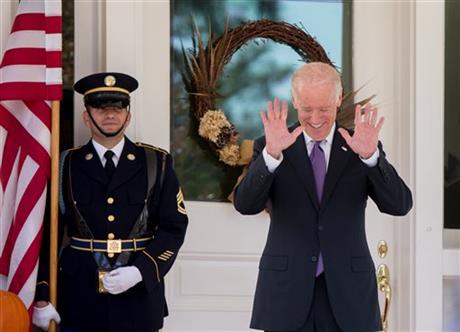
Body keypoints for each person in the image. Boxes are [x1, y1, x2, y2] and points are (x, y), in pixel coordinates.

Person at [233, 62, 412, 332]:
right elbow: (245, 205)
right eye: (306, 109)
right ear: (294, 101)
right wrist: (271, 156)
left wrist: (371, 158)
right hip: (286, 293)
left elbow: (399, 205)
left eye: (324, 109)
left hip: (348, 295)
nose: (315, 118)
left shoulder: (359, 145)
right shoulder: (271, 145)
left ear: (338, 100)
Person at [32, 72, 188, 332]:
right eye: (100, 106)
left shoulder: (156, 162)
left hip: (138, 295)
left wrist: (141, 271)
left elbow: (174, 227)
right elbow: (46, 233)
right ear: (86, 116)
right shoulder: (65, 165)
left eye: (118, 106)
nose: (110, 113)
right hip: (78, 295)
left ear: (128, 115)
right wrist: (42, 293)